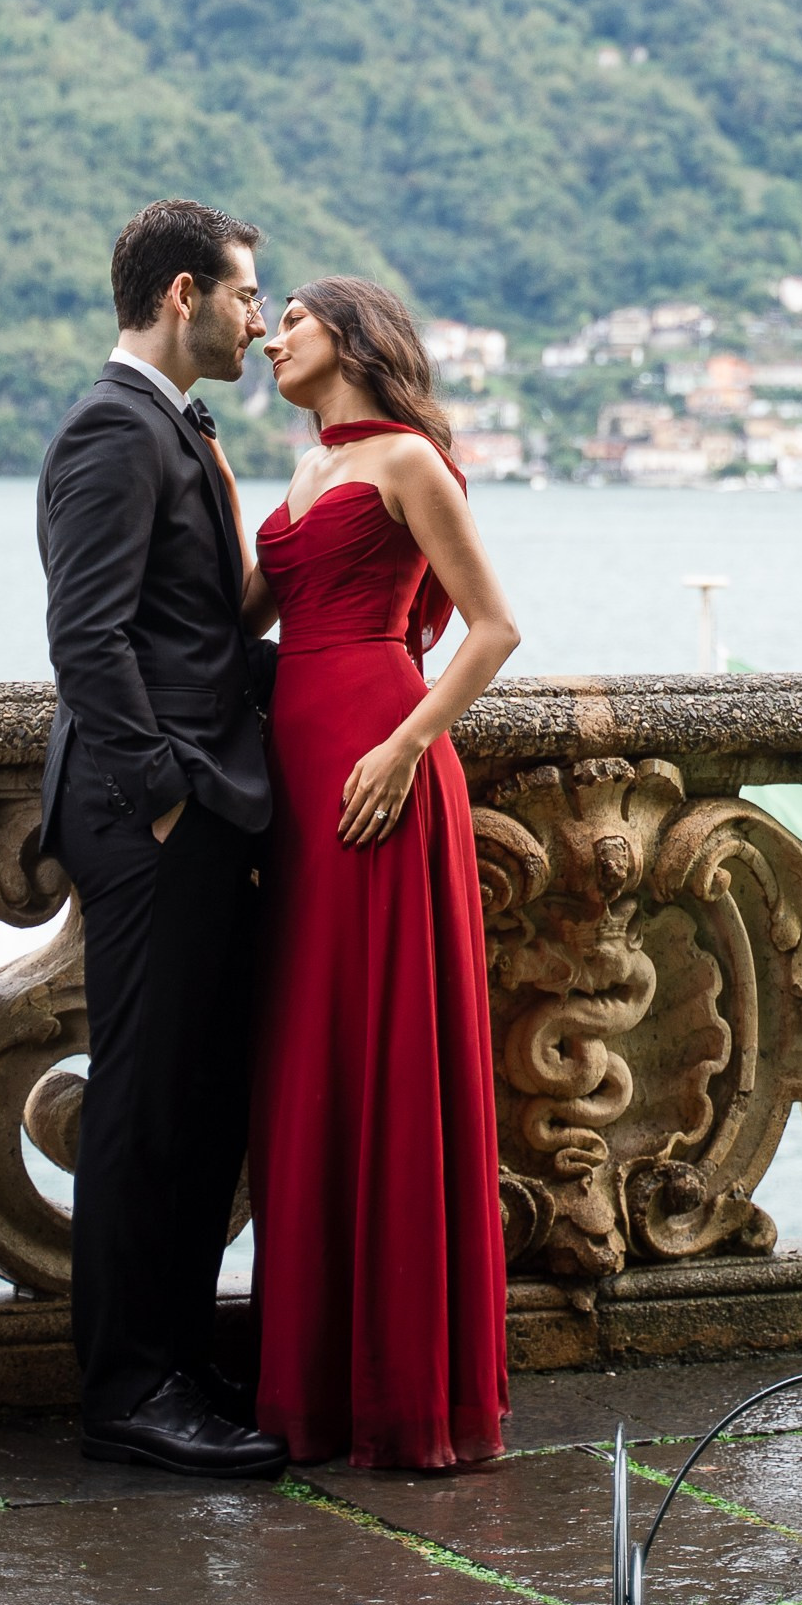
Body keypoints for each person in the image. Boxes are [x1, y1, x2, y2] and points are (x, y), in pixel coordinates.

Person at [244, 278, 519, 1469]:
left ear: (349, 340)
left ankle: (406, 1391)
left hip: (377, 768)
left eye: (289, 319)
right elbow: (240, 614)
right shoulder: (303, 474)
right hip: (298, 775)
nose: (269, 334)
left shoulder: (409, 460)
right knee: (312, 1055)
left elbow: (493, 629)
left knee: (384, 1052)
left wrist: (406, 748)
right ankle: (315, 1378)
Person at [37, 198, 285, 1480]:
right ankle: (127, 1389)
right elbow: (85, 639)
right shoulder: (110, 428)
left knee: (194, 1102)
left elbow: (187, 625)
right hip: (151, 815)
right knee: (141, 1104)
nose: (260, 317)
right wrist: (164, 793)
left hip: (199, 802)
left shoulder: (168, 428)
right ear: (184, 294)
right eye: (248, 295)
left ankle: (182, 1358)